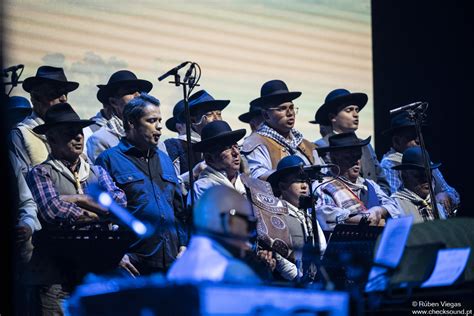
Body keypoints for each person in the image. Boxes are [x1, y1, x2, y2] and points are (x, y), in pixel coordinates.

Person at [25, 102, 127, 315]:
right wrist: (91, 205)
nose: (78, 137)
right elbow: (53, 211)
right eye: (68, 133)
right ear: (52, 139)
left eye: (79, 132)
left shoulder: (96, 171)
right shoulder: (41, 173)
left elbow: (120, 204)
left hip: (95, 274)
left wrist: (73, 199)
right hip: (56, 279)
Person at [95, 92, 189, 276]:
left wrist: (183, 244)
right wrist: (116, 255)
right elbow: (101, 217)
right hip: (132, 264)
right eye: (152, 120)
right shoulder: (109, 159)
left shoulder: (165, 159)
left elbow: (178, 210)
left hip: (169, 263)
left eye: (160, 120)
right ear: (131, 122)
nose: (160, 126)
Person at [167, 185, 266, 284]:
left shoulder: (175, 269)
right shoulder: (235, 273)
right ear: (229, 221)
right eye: (250, 223)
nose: (250, 233)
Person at [315, 132, 399, 231]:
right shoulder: (323, 185)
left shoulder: (369, 184)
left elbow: (394, 207)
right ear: (334, 157)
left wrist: (378, 211)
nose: (356, 161)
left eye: (358, 155)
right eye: (349, 156)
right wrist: (363, 219)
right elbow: (324, 214)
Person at [312, 89, 390, 194]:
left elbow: (382, 181)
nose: (355, 114)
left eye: (357, 110)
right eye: (349, 110)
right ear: (332, 117)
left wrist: (379, 203)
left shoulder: (365, 146)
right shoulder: (322, 146)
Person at [241, 80, 323, 180]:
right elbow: (257, 177)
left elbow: (323, 173)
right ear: (266, 115)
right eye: (282, 108)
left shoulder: (306, 145)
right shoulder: (255, 143)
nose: (290, 113)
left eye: (292, 108)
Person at [380, 111, 460, 214]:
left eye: (419, 136)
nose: (419, 141)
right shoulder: (389, 165)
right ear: (397, 141)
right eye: (412, 137)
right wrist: (430, 199)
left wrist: (445, 195)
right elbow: (395, 201)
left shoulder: (426, 161)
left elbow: (453, 193)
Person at [9, 65, 79, 175]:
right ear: (36, 98)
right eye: (55, 93)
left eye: (65, 93)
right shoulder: (21, 134)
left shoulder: (74, 132)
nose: (63, 98)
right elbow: (24, 178)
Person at [267, 155, 327, 281]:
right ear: (283, 186)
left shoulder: (310, 216)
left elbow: (322, 249)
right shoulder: (277, 214)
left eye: (306, 181)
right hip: (291, 284)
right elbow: (279, 256)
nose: (304, 186)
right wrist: (298, 279)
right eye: (298, 181)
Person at [86, 70, 166, 162]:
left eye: (139, 91)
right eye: (130, 91)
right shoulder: (101, 139)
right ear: (113, 102)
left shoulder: (157, 142)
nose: (138, 95)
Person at [164, 90, 230, 191]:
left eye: (219, 114)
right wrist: (193, 173)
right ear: (193, 120)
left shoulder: (225, 146)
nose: (217, 118)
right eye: (209, 114)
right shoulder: (176, 146)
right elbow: (167, 186)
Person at [189, 120, 247, 204]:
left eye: (236, 147)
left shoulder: (246, 184)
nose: (236, 153)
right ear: (209, 158)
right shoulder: (203, 188)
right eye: (227, 148)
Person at [391, 147, 450, 222]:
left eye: (428, 175)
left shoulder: (437, 205)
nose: (426, 180)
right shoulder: (395, 205)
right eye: (419, 175)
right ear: (405, 175)